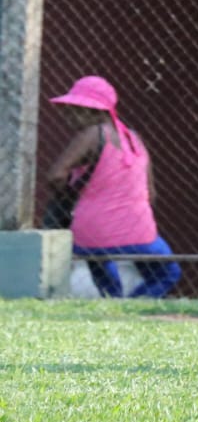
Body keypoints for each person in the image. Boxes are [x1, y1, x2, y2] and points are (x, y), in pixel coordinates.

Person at [42, 75, 181, 298]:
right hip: (139, 233)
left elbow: (55, 175)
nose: (69, 117)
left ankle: (115, 306)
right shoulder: (135, 139)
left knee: (103, 271)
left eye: (76, 110)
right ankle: (133, 307)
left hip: (90, 235)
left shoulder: (91, 134)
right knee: (167, 273)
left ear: (98, 112)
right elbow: (151, 193)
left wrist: (74, 192)